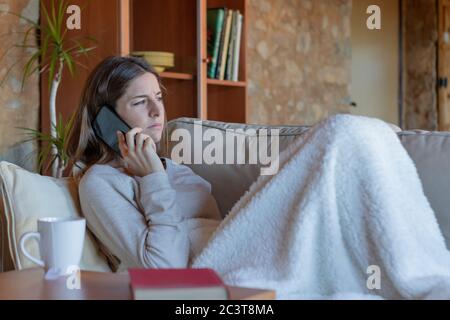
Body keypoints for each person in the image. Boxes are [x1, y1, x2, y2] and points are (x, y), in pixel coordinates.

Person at [65, 56, 222, 272]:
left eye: (158, 97)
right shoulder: (100, 182)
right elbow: (164, 268)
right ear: (105, 118)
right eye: (140, 101)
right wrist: (153, 178)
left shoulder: (179, 170)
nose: (157, 111)